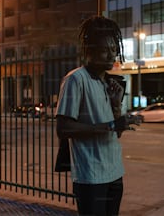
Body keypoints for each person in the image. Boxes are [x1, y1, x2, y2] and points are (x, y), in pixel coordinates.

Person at [55, 15, 139, 216]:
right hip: (91, 178)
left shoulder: (109, 85)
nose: (112, 56)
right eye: (105, 50)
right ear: (89, 51)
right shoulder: (76, 80)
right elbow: (63, 128)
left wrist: (116, 107)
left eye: (114, 50)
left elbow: (114, 134)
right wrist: (110, 125)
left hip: (115, 173)